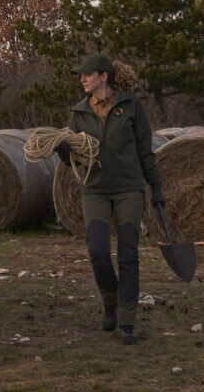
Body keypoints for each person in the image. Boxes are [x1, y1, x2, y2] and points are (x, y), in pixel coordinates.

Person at [55, 54, 163, 346]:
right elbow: (72, 159)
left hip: (129, 188)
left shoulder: (131, 106)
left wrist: (156, 188)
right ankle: (110, 301)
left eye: (87, 74)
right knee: (98, 251)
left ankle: (127, 321)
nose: (82, 79)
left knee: (129, 254)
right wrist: (64, 151)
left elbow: (145, 150)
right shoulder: (78, 113)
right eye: (81, 75)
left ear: (104, 76)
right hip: (95, 189)